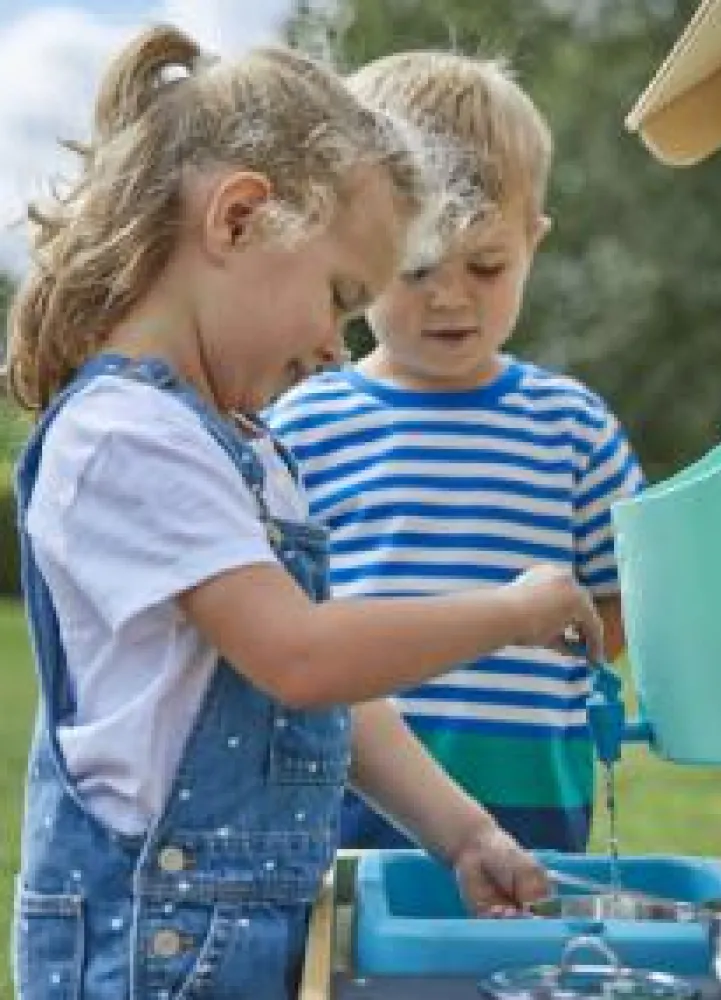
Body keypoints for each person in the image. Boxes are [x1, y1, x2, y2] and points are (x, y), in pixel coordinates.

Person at [6, 26, 604, 1000]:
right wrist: (509, 612)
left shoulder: (244, 447)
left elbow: (320, 692)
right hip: (147, 954)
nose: (336, 345)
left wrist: (462, 829)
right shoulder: (126, 437)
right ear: (238, 219)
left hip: (230, 944)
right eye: (338, 295)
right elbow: (300, 652)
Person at [266, 50, 644, 855]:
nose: (449, 296)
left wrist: (566, 674)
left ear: (533, 243)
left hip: (535, 799)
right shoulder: (301, 424)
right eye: (417, 268)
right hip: (347, 791)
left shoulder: (572, 427)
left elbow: (625, 594)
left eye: (486, 265)